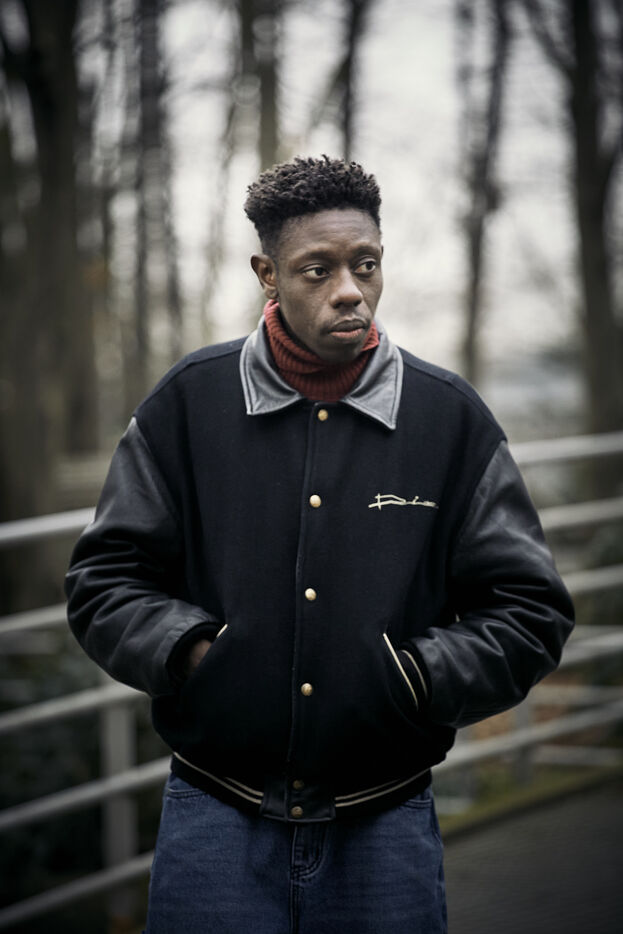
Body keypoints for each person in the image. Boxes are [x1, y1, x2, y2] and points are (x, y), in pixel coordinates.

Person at [65, 155, 574, 933]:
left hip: (387, 824)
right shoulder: (187, 404)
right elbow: (104, 581)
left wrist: (413, 677)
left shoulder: (449, 419)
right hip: (213, 815)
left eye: (365, 264)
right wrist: (194, 653)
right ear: (266, 274)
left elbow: (529, 611)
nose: (349, 290)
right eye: (318, 269)